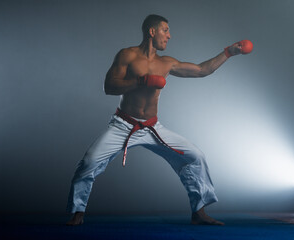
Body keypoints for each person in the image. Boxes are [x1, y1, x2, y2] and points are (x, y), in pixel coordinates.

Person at [66, 14, 250, 226]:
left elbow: (201, 70)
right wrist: (140, 81)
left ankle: (198, 213)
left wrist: (228, 52)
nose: (169, 36)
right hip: (123, 125)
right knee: (89, 162)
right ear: (152, 32)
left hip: (153, 127)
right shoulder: (127, 55)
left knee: (195, 156)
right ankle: (77, 213)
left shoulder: (167, 63)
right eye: (165, 30)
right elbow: (109, 87)